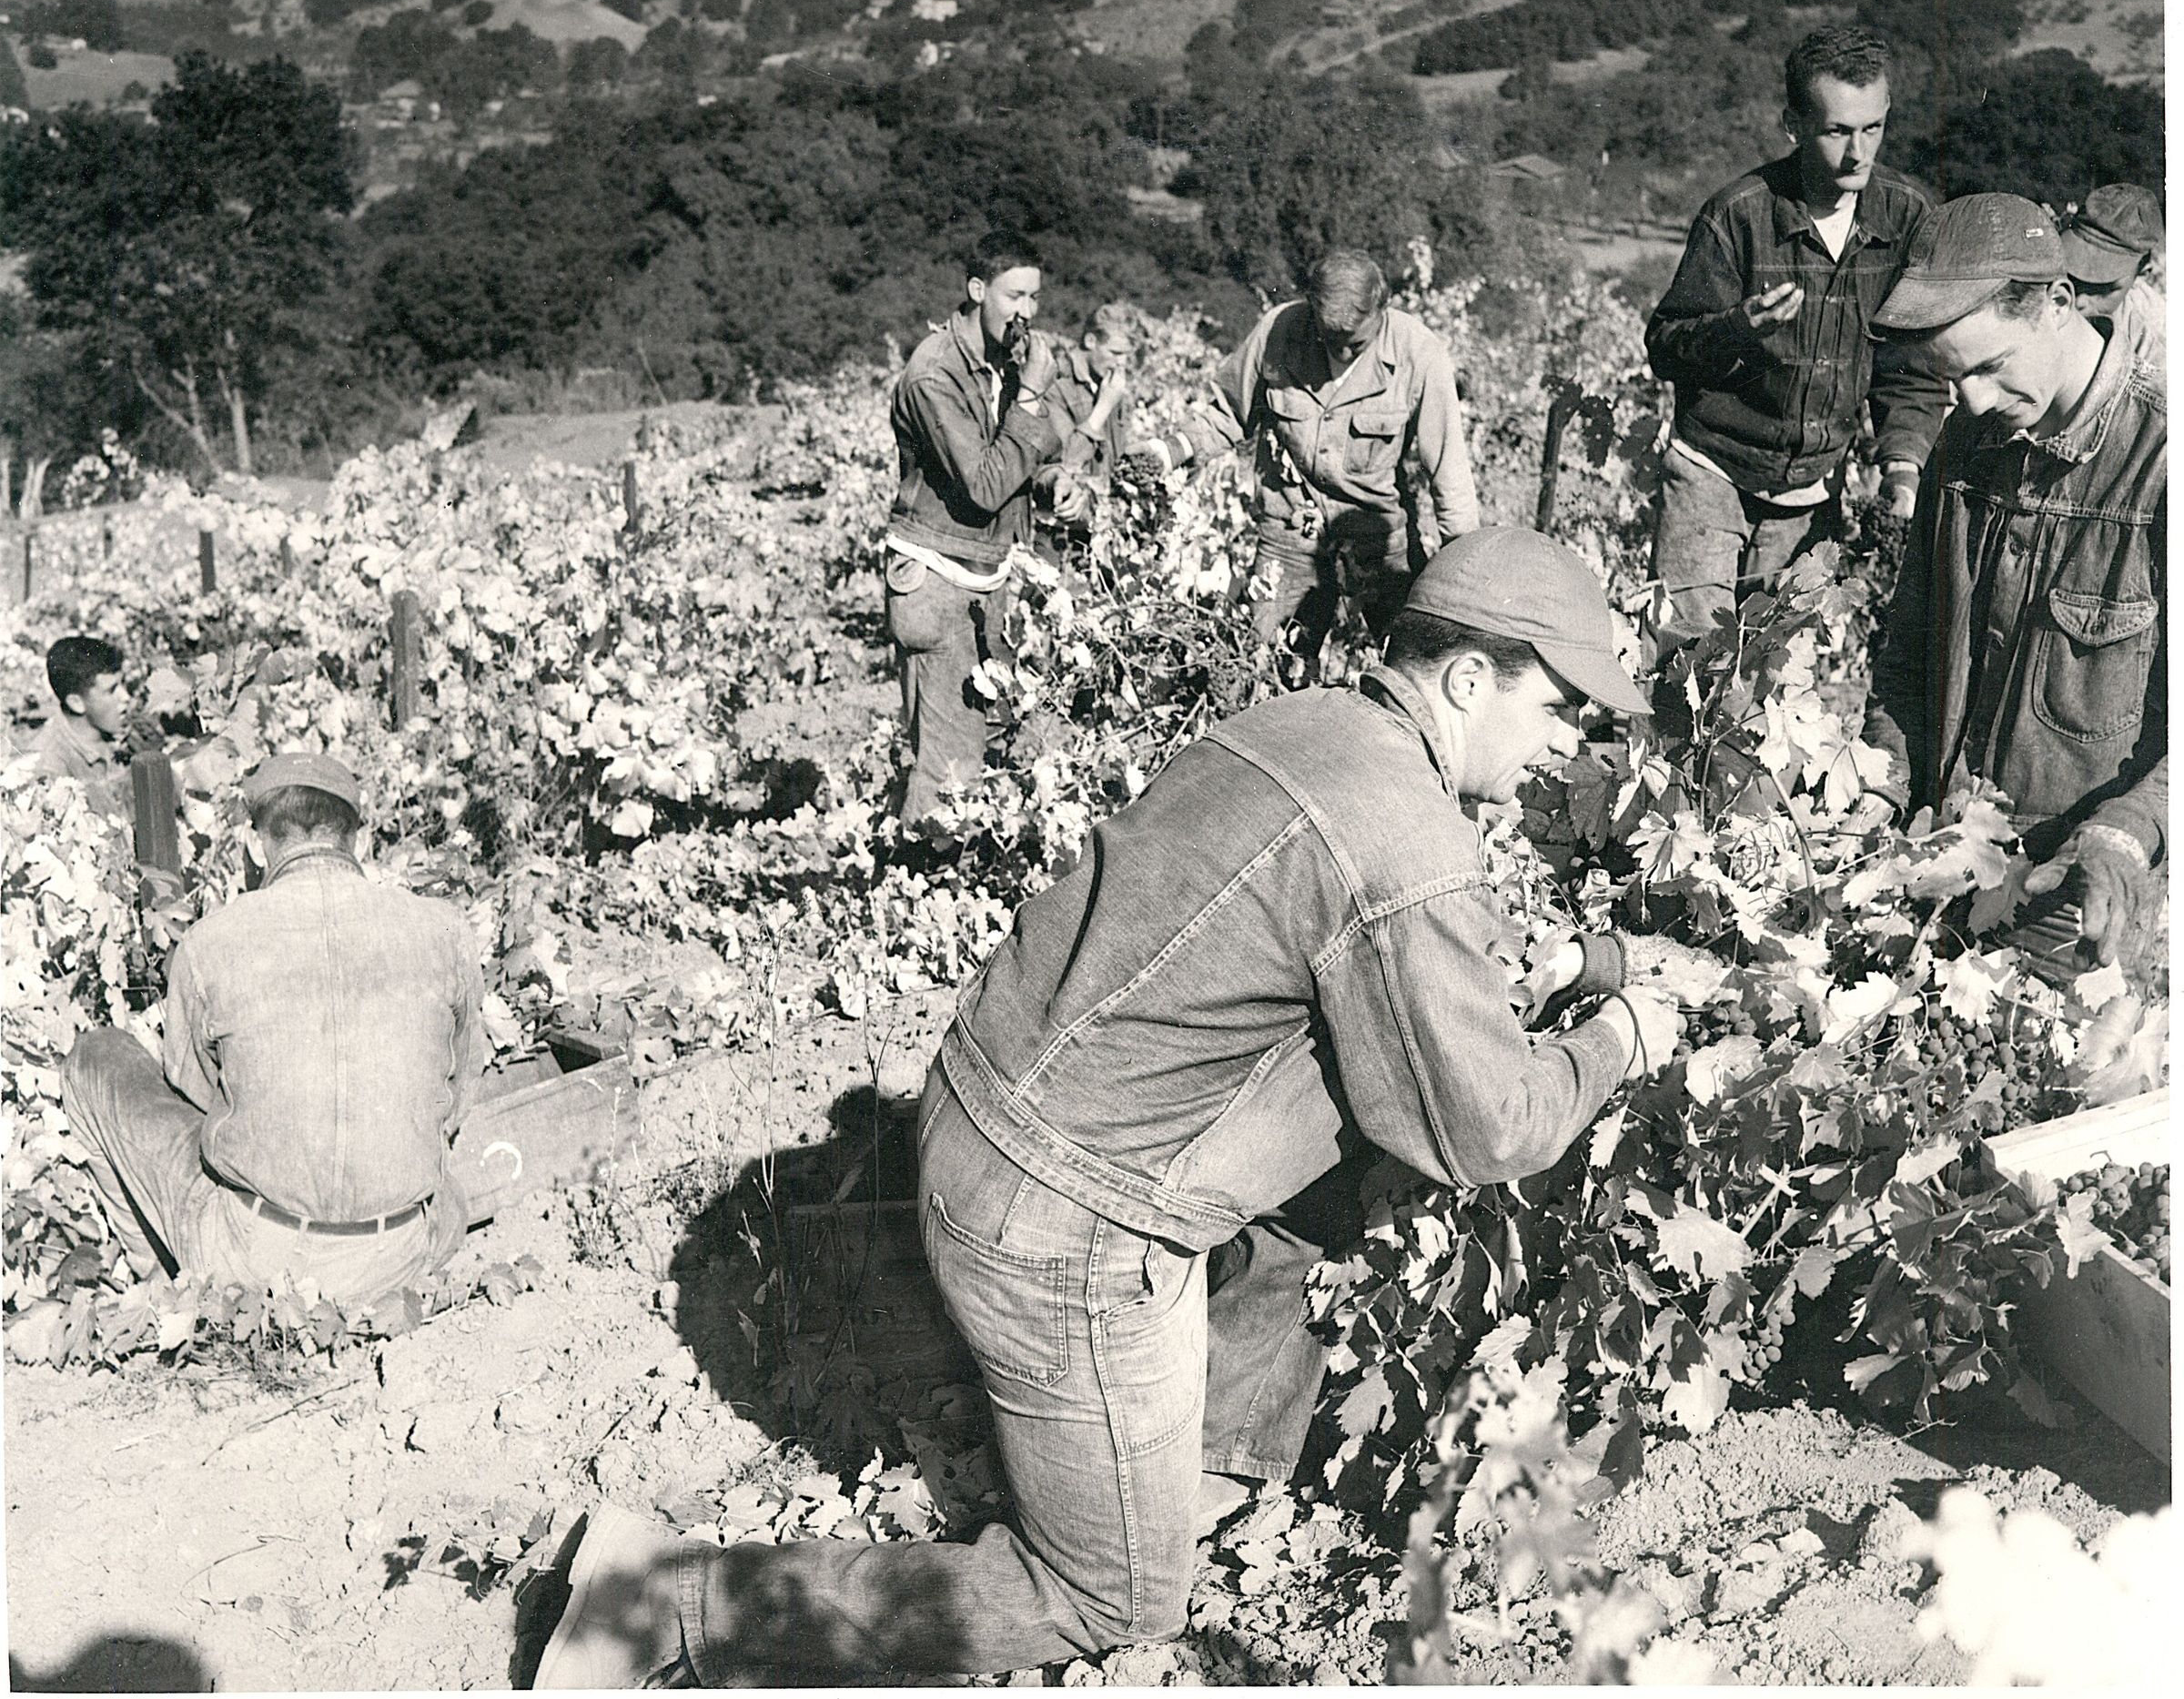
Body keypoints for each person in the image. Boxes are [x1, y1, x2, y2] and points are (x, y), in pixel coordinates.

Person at [533, 529, 1684, 1686]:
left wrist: (1570, 970)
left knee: (1358, 1143)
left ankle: (1196, 1467)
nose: (1566, 743)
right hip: (1056, 1228)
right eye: (1559, 710)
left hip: (987, 1123)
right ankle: (666, 1605)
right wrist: (1619, 1041)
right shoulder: (1406, 833)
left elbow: (1367, 978)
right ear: (1471, 678)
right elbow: (1488, 1130)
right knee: (1110, 1598)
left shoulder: (1308, 727)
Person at [1861, 193, 2166, 971]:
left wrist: (2124, 835)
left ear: (2059, 303)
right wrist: (1874, 788)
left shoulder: (2162, 464)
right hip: (1936, 858)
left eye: (1990, 367)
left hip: (2077, 894)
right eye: (1951, 378)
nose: (1971, 402)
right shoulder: (1964, 446)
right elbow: (1908, 655)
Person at [56, 754, 483, 1305]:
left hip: (257, 1265)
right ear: (358, 837)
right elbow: (459, 1089)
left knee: (96, 1056)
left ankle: (160, 1280)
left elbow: (193, 1089)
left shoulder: (210, 942)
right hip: (400, 1255)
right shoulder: (445, 929)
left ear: (257, 845)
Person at [1644, 25, 1946, 648]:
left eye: (1874, 128)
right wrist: (1736, 330)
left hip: (1812, 493)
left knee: (1775, 673)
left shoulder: (1907, 218)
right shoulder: (1738, 216)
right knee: (1687, 663)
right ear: (1793, 126)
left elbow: (1910, 368)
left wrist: (1902, 467)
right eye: (1838, 131)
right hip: (1712, 474)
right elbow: (1666, 345)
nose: (1859, 153)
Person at [1128, 248, 1480, 673]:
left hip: (1378, 538)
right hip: (1289, 535)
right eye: (1331, 342)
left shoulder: (1418, 353)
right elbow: (1227, 413)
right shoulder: (1279, 332)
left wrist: (1464, 571)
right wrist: (1166, 452)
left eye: (1356, 344)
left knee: (1415, 668)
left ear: (1382, 311)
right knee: (1264, 668)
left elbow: (1447, 468)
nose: (1343, 355)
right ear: (1311, 309)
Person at [885, 229, 1077, 828]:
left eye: (1035, 297)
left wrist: (1052, 482)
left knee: (980, 750)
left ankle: (937, 862)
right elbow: (985, 487)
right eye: (1014, 296)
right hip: (938, 581)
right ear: (976, 290)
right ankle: (916, 872)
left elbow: (1025, 457)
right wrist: (1031, 397)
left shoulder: (1002, 364)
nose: (1028, 312)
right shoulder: (934, 375)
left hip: (985, 577)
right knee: (949, 769)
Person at [1028, 303, 1133, 559]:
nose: (1122, 363)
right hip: (1058, 533)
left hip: (1098, 529)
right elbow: (1063, 461)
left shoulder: (1108, 383)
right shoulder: (1055, 383)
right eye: (1115, 353)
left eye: (1126, 355)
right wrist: (1103, 408)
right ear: (1090, 341)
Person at [23, 634, 130, 819]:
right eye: (111, 690)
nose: (126, 697)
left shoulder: (121, 730)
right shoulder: (49, 769)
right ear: (76, 703)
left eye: (123, 684)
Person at [2059, 183, 2165, 365]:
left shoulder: (2155, 345)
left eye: (2104, 289)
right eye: (2073, 278)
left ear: (2141, 276)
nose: (2079, 301)